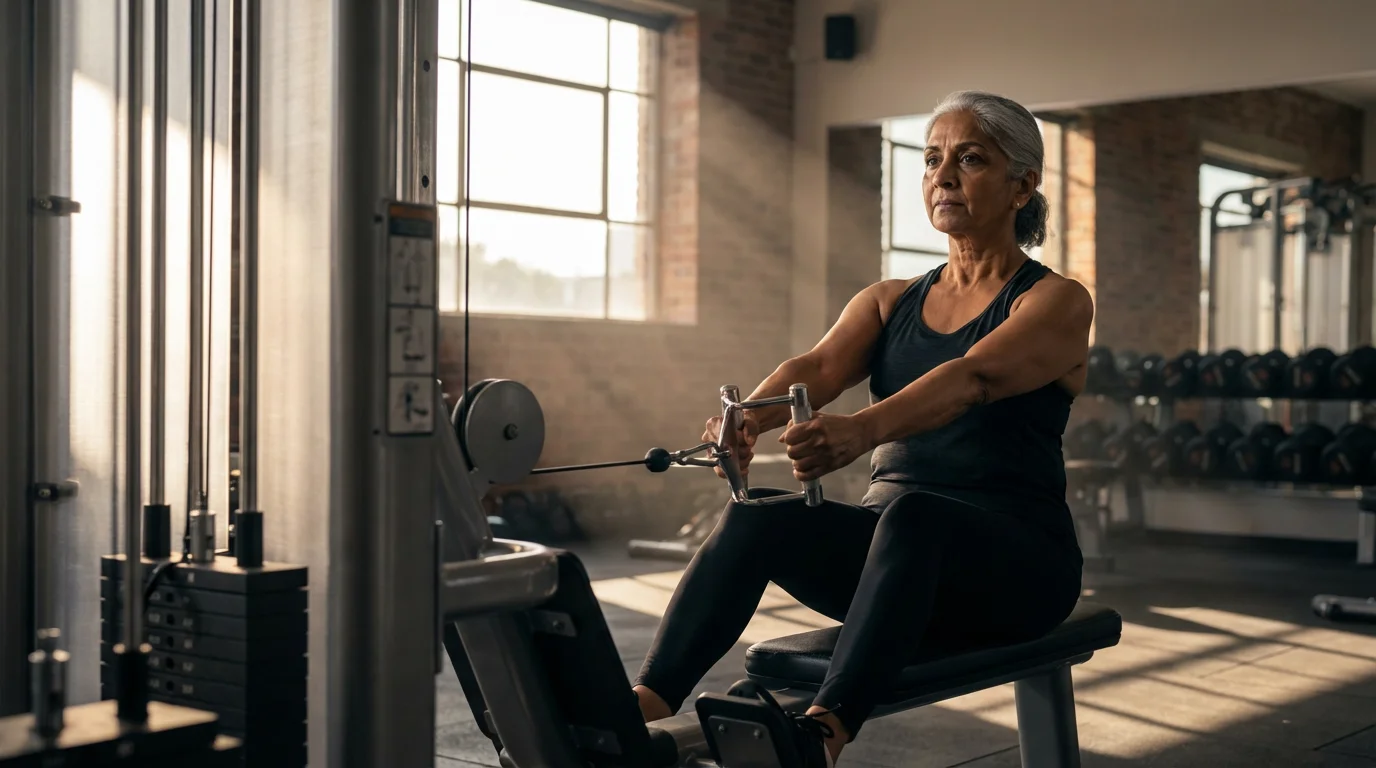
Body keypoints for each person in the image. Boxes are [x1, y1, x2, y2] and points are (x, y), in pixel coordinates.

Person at [630, 90, 1093, 767]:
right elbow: (816, 368)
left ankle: (820, 737)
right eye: (932, 160)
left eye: (970, 160)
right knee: (757, 517)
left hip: (1019, 568)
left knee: (913, 514)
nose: (943, 176)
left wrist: (859, 430)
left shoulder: (1056, 301)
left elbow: (972, 377)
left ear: (1022, 185)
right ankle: (637, 712)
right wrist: (747, 417)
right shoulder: (890, 301)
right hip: (895, 559)